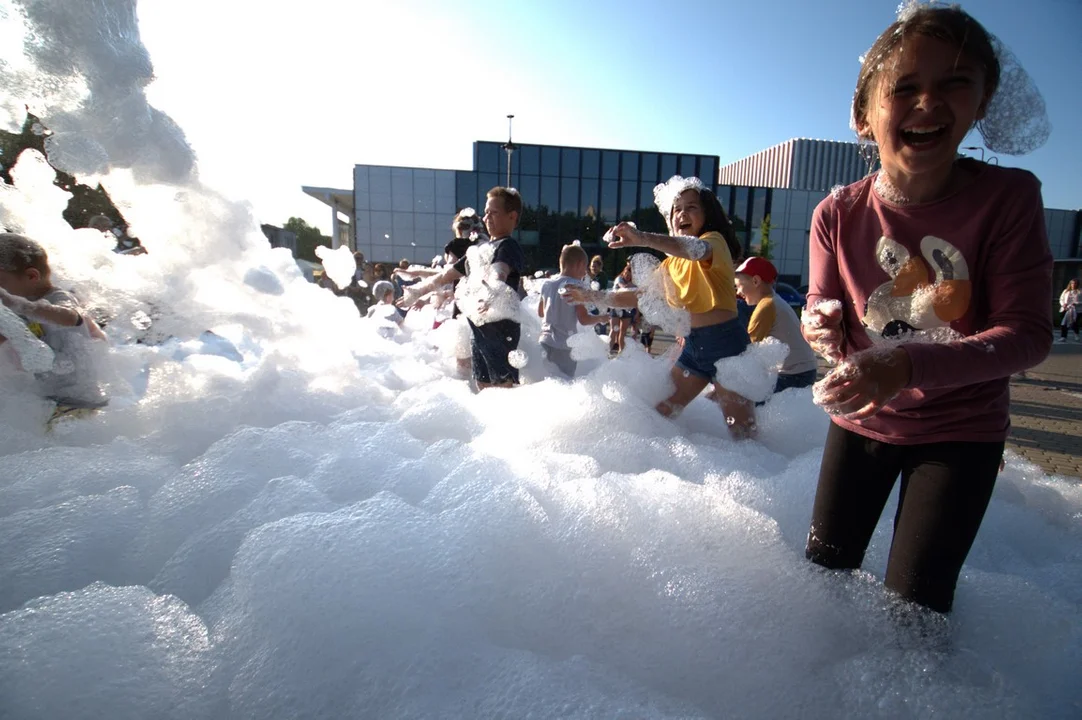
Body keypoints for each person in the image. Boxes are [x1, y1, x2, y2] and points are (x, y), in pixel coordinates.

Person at [801, 5, 1053, 613]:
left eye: (953, 85)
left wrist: (908, 365)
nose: (927, 104)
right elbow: (818, 298)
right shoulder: (836, 214)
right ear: (865, 114)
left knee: (914, 607)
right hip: (862, 422)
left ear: (983, 102)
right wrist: (821, 322)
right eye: (905, 88)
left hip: (961, 432)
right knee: (822, 579)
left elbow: (1027, 335)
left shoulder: (1008, 199)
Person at [565, 176, 755, 438]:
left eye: (691, 207)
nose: (682, 214)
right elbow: (639, 296)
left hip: (728, 346)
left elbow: (694, 249)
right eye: (676, 209)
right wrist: (591, 296)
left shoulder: (714, 242)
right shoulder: (671, 264)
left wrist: (641, 237)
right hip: (694, 347)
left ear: (707, 214)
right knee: (659, 416)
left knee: (743, 434)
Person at [400, 189, 525, 389]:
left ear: (512, 216)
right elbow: (446, 275)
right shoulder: (480, 250)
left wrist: (491, 291)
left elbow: (499, 271)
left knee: (503, 386)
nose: (486, 218)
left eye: (493, 213)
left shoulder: (508, 246)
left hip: (501, 326)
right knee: (482, 383)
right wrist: (418, 290)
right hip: (479, 325)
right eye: (486, 212)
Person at [0, 233, 108, 422]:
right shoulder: (19, 309)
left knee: (59, 447)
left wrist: (19, 305)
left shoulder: (58, 299)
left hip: (79, 400)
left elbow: (71, 317)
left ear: (32, 276)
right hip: (50, 400)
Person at [733, 256, 818, 393]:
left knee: (745, 399)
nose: (738, 293)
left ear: (755, 281)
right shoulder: (774, 301)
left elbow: (747, 346)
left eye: (738, 286)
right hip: (803, 370)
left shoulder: (767, 306)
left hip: (794, 375)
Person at [537, 243, 604, 378]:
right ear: (579, 264)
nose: (585, 272)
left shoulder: (547, 284)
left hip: (544, 340)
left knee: (546, 382)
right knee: (565, 384)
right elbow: (584, 320)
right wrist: (602, 318)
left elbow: (540, 312)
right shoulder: (576, 286)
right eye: (585, 268)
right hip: (564, 344)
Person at [608, 263, 637, 357]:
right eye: (626, 274)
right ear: (623, 272)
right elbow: (624, 287)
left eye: (630, 276)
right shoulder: (619, 279)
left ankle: (621, 352)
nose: (628, 277)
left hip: (627, 308)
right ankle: (609, 350)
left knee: (623, 331)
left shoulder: (633, 282)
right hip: (616, 306)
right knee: (614, 329)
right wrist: (632, 285)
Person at [1058, 279, 1079, 343]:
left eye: (1075, 283)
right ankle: (1063, 337)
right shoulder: (1066, 291)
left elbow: (1080, 301)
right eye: (1072, 283)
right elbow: (1061, 299)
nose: (1073, 285)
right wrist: (1063, 304)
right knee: (1064, 323)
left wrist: (1076, 303)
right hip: (1065, 308)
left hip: (1075, 309)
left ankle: (1076, 333)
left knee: (1073, 322)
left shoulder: (1079, 292)